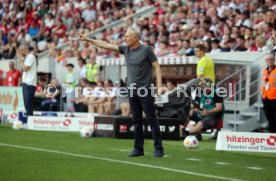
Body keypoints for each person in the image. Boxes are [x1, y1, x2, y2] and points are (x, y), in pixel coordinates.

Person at [77, 28, 165, 157]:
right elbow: (106, 45)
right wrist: (89, 40)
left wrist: (159, 86)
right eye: (125, 36)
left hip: (145, 89)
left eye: (128, 36)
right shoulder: (125, 49)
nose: (125, 38)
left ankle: (159, 148)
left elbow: (156, 66)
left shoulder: (146, 50)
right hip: (131, 90)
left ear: (136, 38)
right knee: (136, 120)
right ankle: (138, 148)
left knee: (151, 119)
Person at [17, 46, 37, 124]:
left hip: (30, 84)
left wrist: (21, 60)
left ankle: (30, 121)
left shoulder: (31, 57)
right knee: (26, 103)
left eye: (21, 50)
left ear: (25, 49)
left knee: (28, 103)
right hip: (26, 83)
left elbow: (25, 68)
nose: (20, 52)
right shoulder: (27, 58)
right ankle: (29, 120)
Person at [262, 54, 276, 133]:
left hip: (274, 97)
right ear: (266, 61)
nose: (270, 61)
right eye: (268, 59)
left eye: (271, 59)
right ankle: (272, 133)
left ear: (274, 60)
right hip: (266, 97)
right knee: (269, 116)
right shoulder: (265, 70)